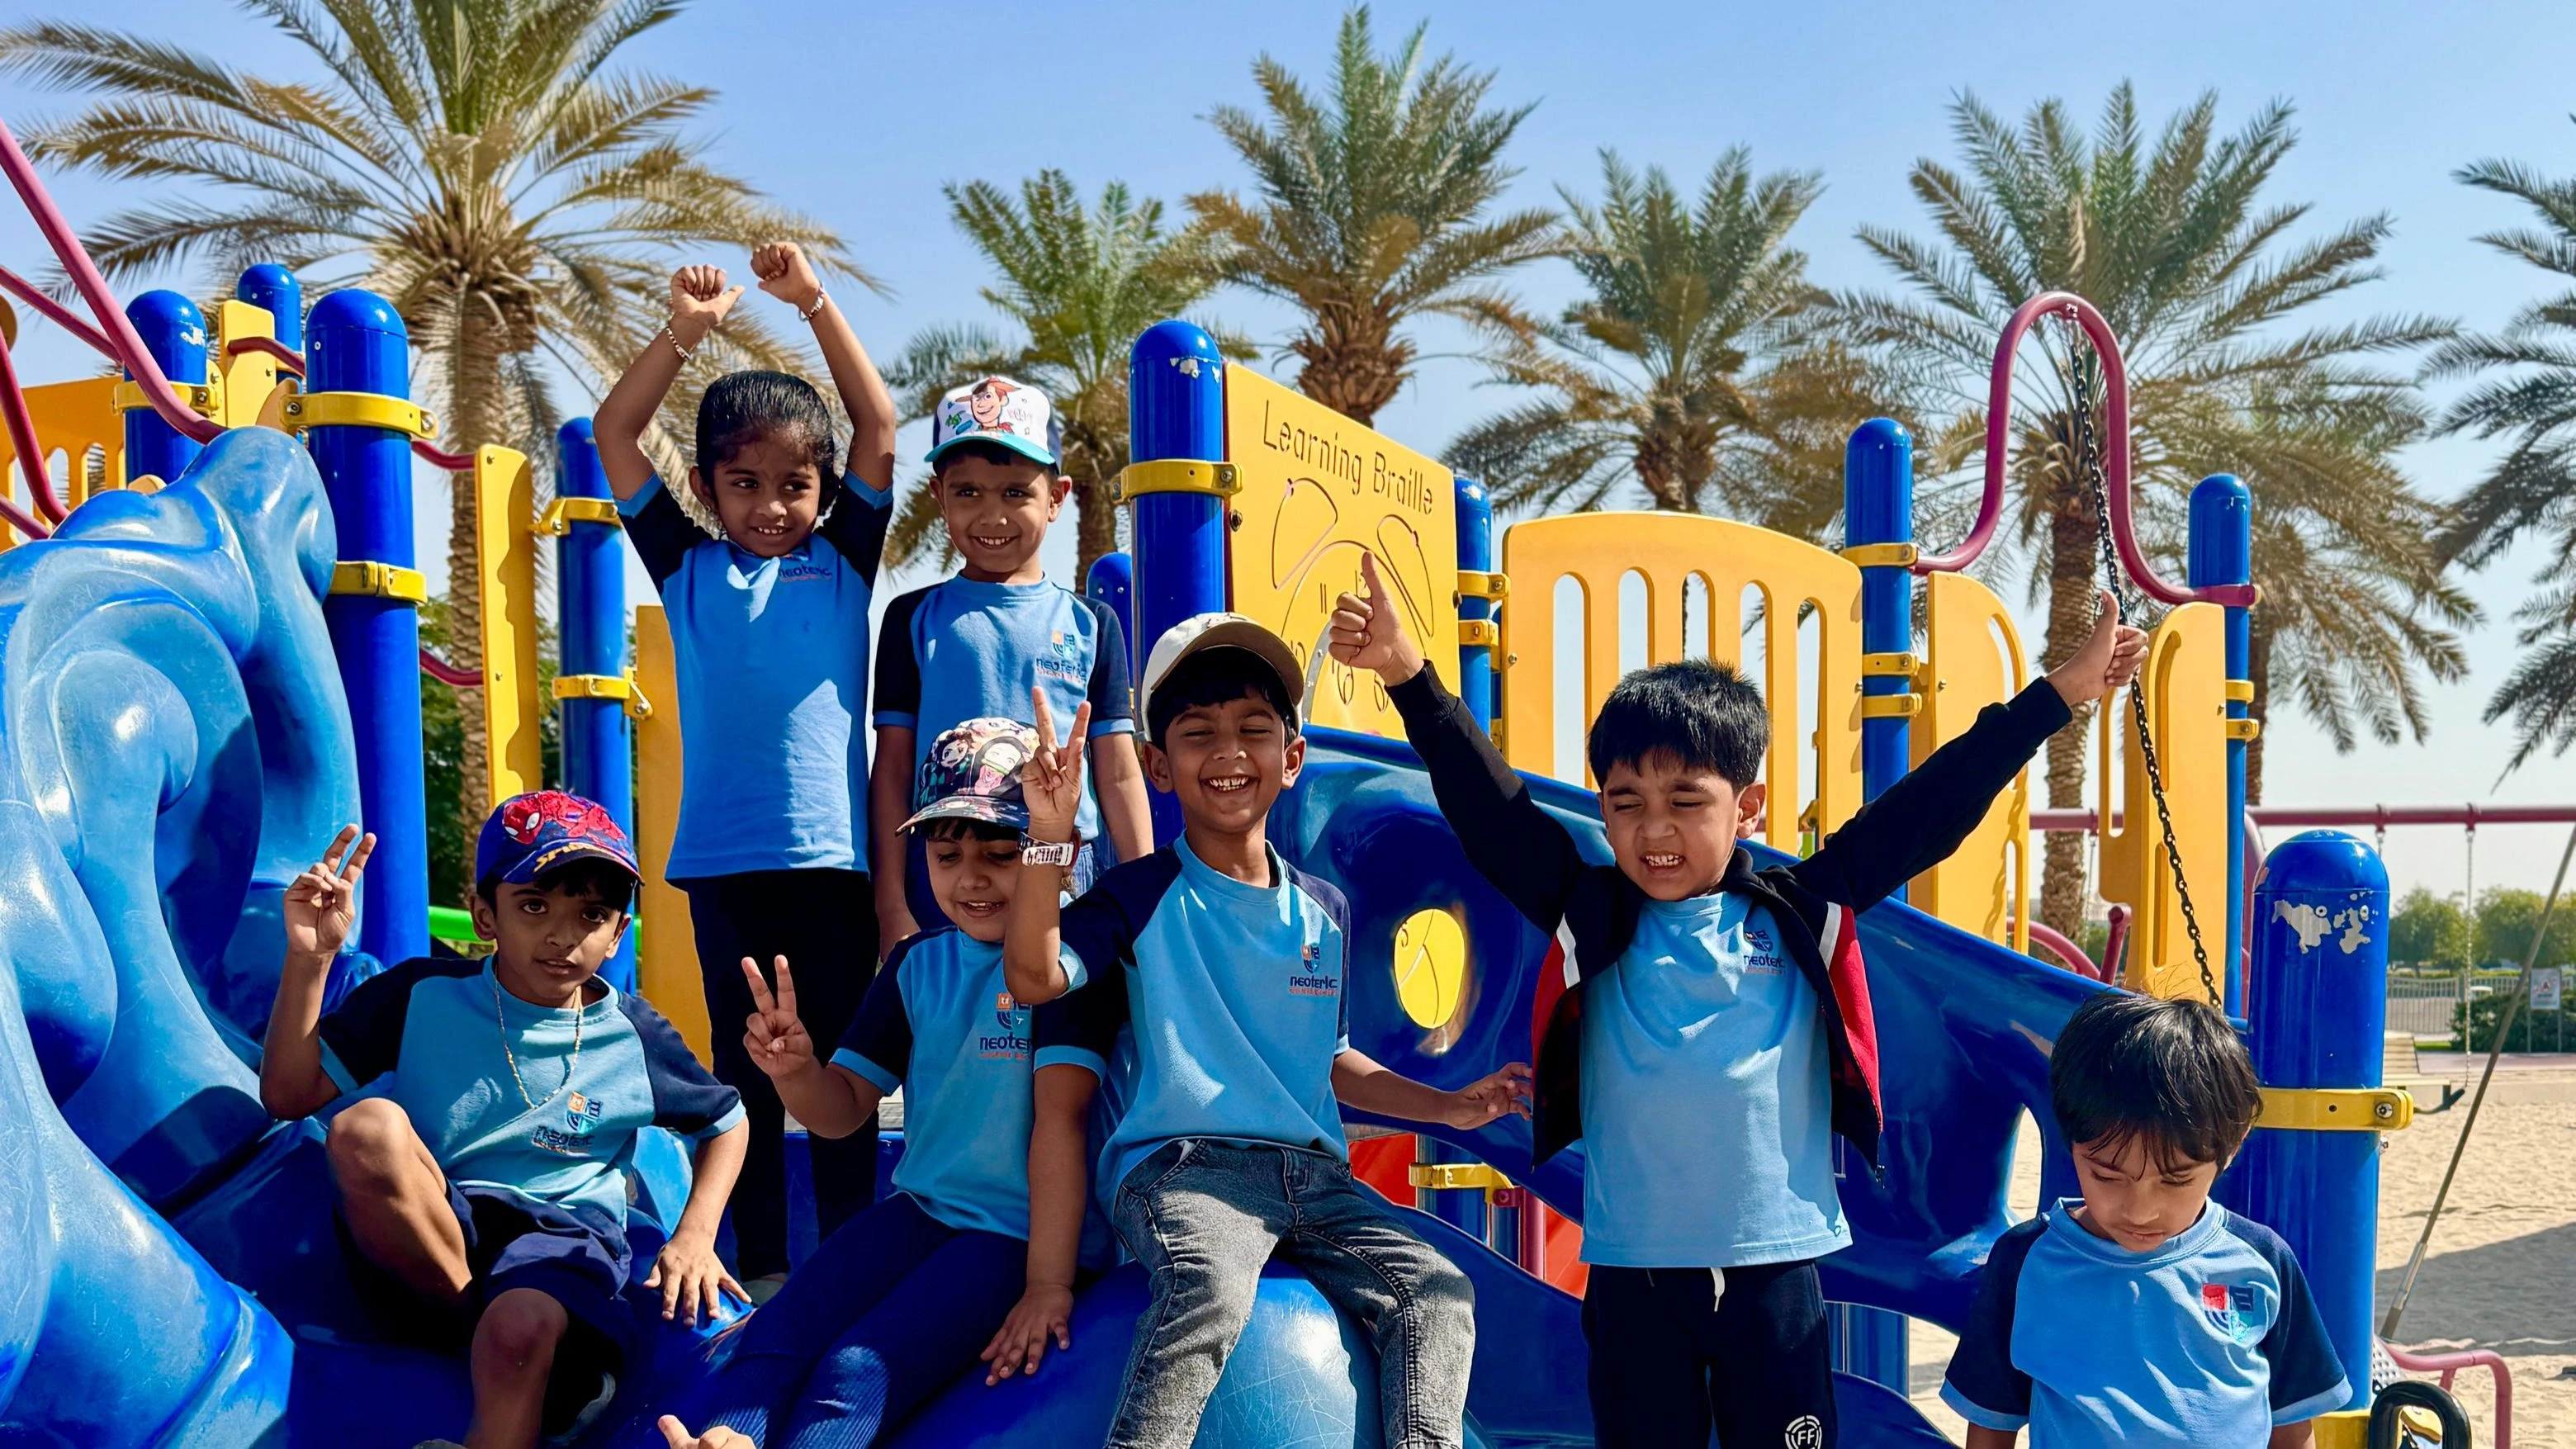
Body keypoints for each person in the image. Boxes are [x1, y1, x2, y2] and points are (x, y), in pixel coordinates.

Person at [1328, 552, 2149, 1449]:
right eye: (1629, 803)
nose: (1656, 829)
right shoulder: (1588, 910)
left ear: (1748, 805)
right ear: (1603, 812)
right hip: (1636, 1278)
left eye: (1688, 801)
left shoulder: (1800, 911)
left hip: (1773, 1277)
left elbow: (1930, 806)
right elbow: (1489, 808)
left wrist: (2058, 694)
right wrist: (1410, 677)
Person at [1006, 615, 1534, 1449]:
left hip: (1314, 1179)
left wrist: (1447, 1109)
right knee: (1208, 1288)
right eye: (1197, 734)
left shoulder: (1322, 909)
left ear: (1291, 761)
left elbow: (1329, 1060)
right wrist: (1046, 839)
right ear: (1158, 766)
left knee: (1436, 1294)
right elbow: (1035, 977)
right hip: (1182, 1167)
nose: (1228, 753)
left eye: (1255, 730)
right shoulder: (1138, 896)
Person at [654, 720, 1110, 1448]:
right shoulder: (916, 966)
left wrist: (1046, 1283)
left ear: (1058, 850)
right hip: (924, 1209)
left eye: (1001, 852)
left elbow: (1064, 1122)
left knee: (856, 1370)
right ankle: (723, 1440)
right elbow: (841, 1112)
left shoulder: (1073, 967)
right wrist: (796, 1070)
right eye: (947, 853)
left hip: (1016, 1236)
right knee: (777, 1329)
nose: (972, 876)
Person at [591, 243, 897, 1290]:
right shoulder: (685, 566)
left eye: (795, 486)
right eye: (746, 484)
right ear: (707, 488)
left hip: (835, 868)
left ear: (823, 489)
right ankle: (764, 1269)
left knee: (841, 1064)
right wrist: (685, 329)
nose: (772, 505)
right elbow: (614, 433)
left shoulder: (844, 558)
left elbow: (880, 427)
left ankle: (853, 1265)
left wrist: (813, 304)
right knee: (745, 1074)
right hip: (723, 868)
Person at [258, 794, 746, 1449]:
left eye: (591, 914)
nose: (562, 934)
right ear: (487, 914)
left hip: (563, 1240)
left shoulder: (632, 1033)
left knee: (517, 1324)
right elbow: (288, 1093)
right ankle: (531, 1363)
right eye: (534, 905)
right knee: (365, 1127)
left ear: (618, 931)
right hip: (440, 1233)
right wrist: (311, 959)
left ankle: (515, 1389)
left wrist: (696, 1233)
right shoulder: (422, 994)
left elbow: (727, 1120)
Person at [1941, 992, 2351, 1447]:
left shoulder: (2262, 1260)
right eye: (2107, 1176)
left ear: (2230, 1149)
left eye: (2175, 1181)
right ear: (2072, 1142)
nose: (2140, 1210)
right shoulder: (2025, 1263)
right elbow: (1991, 1427)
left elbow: (2293, 1428)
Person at [870, 375, 1152, 949]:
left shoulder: (1093, 625)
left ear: (1057, 497)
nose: (991, 514)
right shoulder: (910, 618)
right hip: (947, 874)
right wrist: (892, 904)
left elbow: (1119, 773)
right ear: (938, 496)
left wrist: (1144, 899)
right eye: (968, 492)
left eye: (1015, 492)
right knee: (951, 1033)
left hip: (1072, 875)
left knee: (1065, 1032)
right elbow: (894, 773)